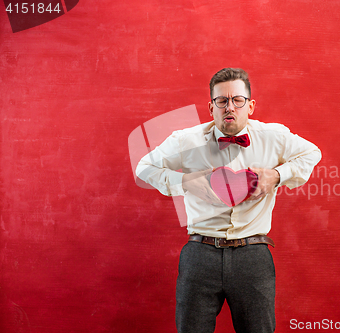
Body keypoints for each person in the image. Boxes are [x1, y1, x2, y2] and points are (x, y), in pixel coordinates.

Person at [136, 68, 321, 333]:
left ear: (251, 106)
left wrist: (277, 175)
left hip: (253, 255)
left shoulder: (273, 136)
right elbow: (144, 167)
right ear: (210, 107)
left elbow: (312, 153)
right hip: (200, 254)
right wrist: (185, 182)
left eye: (237, 100)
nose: (229, 107)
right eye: (221, 101)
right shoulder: (185, 140)